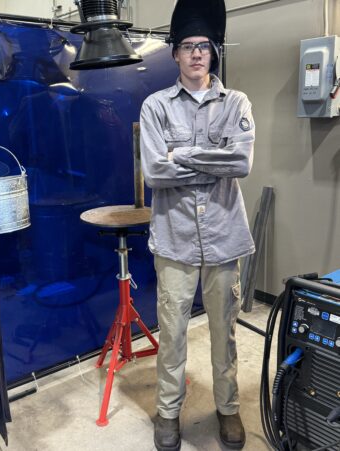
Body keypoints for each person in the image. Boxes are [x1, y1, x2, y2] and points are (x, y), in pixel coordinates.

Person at [139, 1, 255, 449]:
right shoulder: (156, 107)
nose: (196, 54)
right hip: (174, 239)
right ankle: (167, 413)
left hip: (225, 237)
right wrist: (211, 162)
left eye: (204, 46)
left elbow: (241, 162)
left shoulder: (236, 102)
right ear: (175, 54)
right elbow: (154, 172)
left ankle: (227, 408)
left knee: (224, 332)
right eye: (187, 46)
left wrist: (180, 156)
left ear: (214, 52)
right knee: (171, 332)